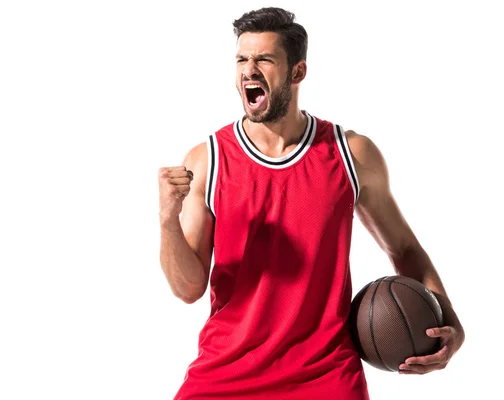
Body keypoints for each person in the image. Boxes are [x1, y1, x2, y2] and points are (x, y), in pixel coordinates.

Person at [158, 7, 465, 400]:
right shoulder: (208, 160)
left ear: (297, 73)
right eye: (241, 59)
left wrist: (448, 318)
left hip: (327, 378)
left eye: (264, 59)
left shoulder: (350, 154)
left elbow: (403, 248)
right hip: (226, 375)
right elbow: (188, 289)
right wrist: (168, 220)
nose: (248, 70)